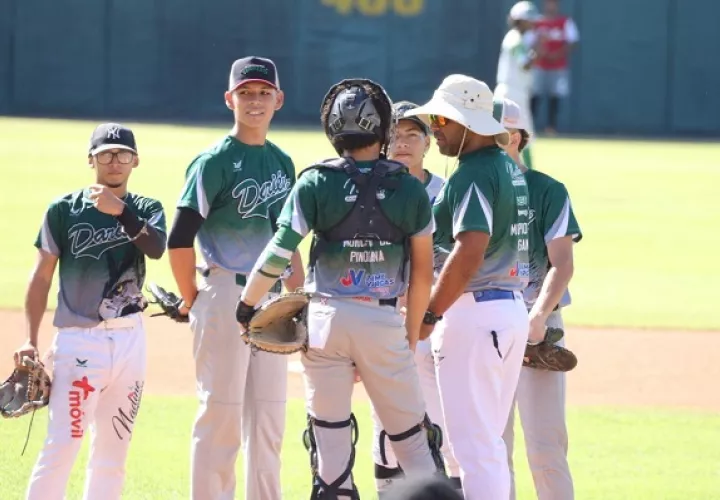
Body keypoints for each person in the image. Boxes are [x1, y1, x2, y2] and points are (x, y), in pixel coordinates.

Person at [235, 78, 445, 499]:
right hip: (383, 319)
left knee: (330, 454)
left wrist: (246, 305)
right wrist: (407, 337)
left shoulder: (314, 181)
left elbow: (278, 254)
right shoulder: (409, 186)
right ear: (383, 128)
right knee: (414, 447)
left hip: (325, 320)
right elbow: (422, 275)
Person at [166, 56, 304, 500]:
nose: (255, 100)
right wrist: (194, 296)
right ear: (230, 99)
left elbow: (290, 240)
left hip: (273, 298)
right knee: (221, 417)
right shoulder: (213, 162)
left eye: (264, 92)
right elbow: (179, 239)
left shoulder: (283, 163)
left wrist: (298, 296)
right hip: (226, 289)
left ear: (279, 99)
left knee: (269, 421)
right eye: (246, 93)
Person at [17, 123, 167, 500]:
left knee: (113, 453)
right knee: (63, 446)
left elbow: (156, 248)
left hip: (131, 340)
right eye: (105, 153)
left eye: (123, 154)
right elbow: (40, 278)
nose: (114, 161)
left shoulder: (146, 209)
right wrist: (30, 340)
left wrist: (121, 213)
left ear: (136, 161)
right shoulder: (63, 210)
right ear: (91, 160)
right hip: (80, 342)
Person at [405, 74, 531, 500]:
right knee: (487, 444)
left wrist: (429, 314)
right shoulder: (506, 168)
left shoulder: (473, 174)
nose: (435, 127)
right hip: (507, 309)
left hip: (474, 314)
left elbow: (470, 250)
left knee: (474, 448)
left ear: (471, 123)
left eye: (443, 118)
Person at [369, 101, 460, 497]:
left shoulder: (446, 193)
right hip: (385, 319)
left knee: (447, 425)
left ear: (427, 142)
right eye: (394, 135)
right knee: (385, 429)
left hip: (437, 320)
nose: (402, 142)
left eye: (411, 134)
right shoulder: (370, 190)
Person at [494, 98, 582, 500]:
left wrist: (539, 316)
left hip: (539, 327)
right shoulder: (469, 189)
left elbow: (562, 264)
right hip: (486, 327)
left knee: (546, 447)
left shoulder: (547, 190)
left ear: (514, 138)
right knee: (493, 446)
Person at [495, 1, 540, 169]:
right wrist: (538, 51)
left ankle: (513, 169)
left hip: (510, 91)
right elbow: (525, 64)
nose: (533, 23)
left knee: (505, 134)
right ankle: (530, 174)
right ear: (521, 20)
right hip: (513, 93)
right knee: (525, 133)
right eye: (530, 19)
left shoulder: (516, 38)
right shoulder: (515, 39)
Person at [532, 0, 580, 135]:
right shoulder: (537, 22)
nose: (550, 6)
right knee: (535, 95)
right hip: (539, 65)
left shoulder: (565, 22)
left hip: (558, 66)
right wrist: (541, 51)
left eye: (553, 3)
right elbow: (530, 41)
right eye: (548, 3)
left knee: (555, 96)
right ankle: (530, 127)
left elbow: (573, 41)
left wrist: (557, 54)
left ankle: (551, 127)